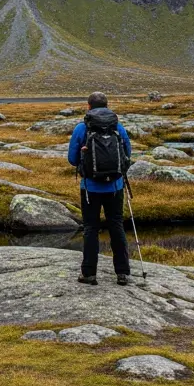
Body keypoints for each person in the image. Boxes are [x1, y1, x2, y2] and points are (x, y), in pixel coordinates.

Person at [68, 92, 132, 286]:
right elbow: (127, 154)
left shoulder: (82, 128)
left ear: (88, 106)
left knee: (90, 228)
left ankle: (89, 274)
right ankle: (122, 273)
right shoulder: (118, 127)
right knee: (116, 226)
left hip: (90, 188)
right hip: (115, 186)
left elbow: (72, 159)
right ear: (107, 106)